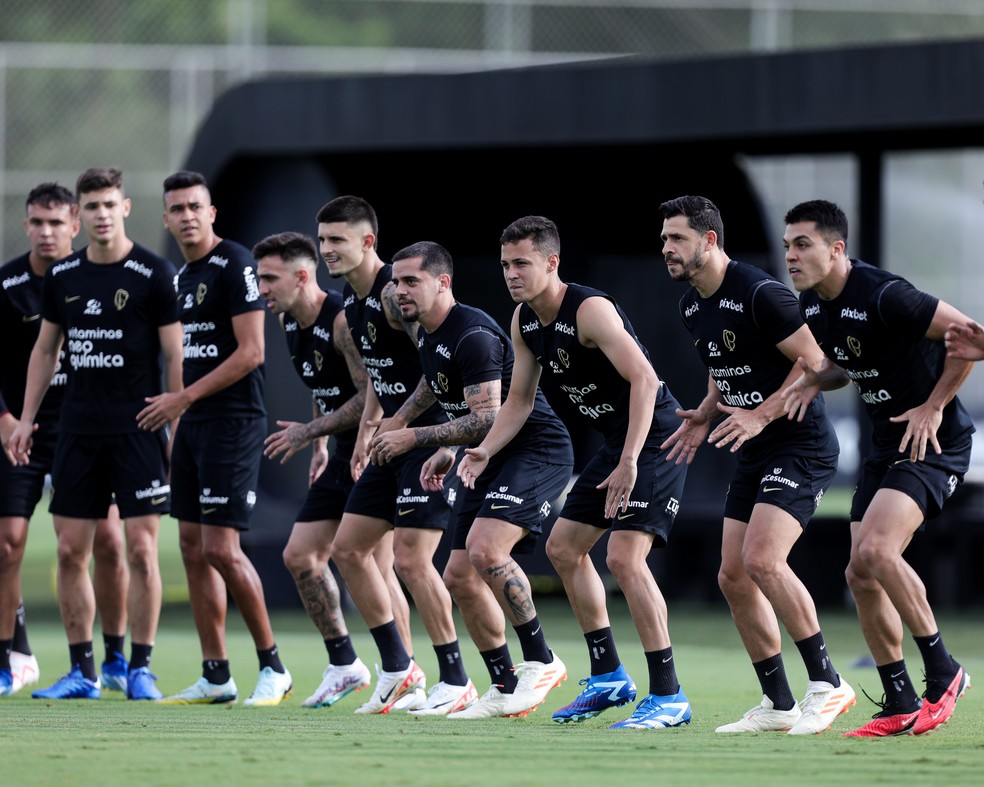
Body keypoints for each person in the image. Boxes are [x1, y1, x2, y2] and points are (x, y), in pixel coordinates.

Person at [457, 216, 692, 730]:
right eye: (504, 265)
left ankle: (670, 695)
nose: (511, 274)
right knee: (564, 548)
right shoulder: (523, 320)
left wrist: (630, 460)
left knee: (626, 558)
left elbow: (646, 382)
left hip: (657, 437)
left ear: (551, 262)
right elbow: (518, 402)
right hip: (618, 443)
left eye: (522, 263)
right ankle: (608, 675)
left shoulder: (589, 310)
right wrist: (484, 450)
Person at [657, 195, 855, 735]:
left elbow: (817, 365)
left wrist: (761, 416)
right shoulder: (692, 304)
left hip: (801, 444)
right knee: (734, 575)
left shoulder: (760, 292)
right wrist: (704, 411)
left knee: (764, 561)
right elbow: (726, 362)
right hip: (757, 446)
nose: (667, 248)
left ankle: (829, 683)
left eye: (677, 238)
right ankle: (777, 703)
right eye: (665, 238)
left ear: (710, 240)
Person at [781, 199, 974, 737]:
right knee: (859, 574)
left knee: (876, 551)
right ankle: (899, 700)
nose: (791, 256)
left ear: (836, 248)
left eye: (803, 244)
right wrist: (813, 380)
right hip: (886, 445)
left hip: (933, 441)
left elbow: (969, 339)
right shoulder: (813, 304)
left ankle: (945, 671)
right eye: (787, 246)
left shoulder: (887, 293)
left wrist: (934, 405)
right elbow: (845, 362)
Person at [373, 240, 574, 719]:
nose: (400, 291)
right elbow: (437, 383)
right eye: (396, 282)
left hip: (534, 450)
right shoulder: (427, 330)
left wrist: (414, 437)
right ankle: (504, 686)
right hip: (484, 457)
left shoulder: (473, 335)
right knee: (459, 577)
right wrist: (414, 429)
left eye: (411, 281)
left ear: (443, 282)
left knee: (486, 551)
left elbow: (487, 418)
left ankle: (542, 660)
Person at [8, 167, 183, 701]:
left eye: (110, 205)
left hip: (138, 431)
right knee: (68, 552)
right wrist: (24, 419)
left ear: (125, 208)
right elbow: (45, 351)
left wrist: (176, 425)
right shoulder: (64, 277)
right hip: (77, 433)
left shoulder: (154, 272)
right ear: (79, 215)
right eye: (92, 207)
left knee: (141, 552)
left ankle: (140, 668)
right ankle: (82, 671)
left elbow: (174, 354)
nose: (101, 215)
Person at [315, 197, 476, 716]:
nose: (326, 250)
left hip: (427, 441)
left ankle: (456, 678)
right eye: (321, 241)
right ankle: (398, 669)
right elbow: (379, 382)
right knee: (348, 549)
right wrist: (367, 433)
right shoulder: (351, 303)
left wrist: (436, 437)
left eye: (336, 240)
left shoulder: (394, 295)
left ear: (367, 242)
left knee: (410, 559)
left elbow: (438, 362)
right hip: (390, 442)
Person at [253, 230, 413, 708]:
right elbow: (325, 387)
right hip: (339, 452)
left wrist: (310, 430)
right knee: (300, 555)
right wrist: (322, 439)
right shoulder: (288, 322)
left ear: (303, 276)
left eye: (269, 278)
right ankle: (345, 663)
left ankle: (408, 674)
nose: (261, 288)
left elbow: (373, 391)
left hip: (373, 450)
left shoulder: (341, 320)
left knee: (379, 568)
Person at [151, 170, 292, 706]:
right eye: (177, 208)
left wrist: (182, 400)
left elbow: (252, 352)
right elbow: (181, 359)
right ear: (166, 219)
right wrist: (178, 427)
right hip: (193, 428)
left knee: (221, 548)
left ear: (211, 213)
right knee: (190, 547)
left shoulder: (235, 262)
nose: (186, 215)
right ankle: (216, 674)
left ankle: (274, 666)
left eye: (195, 206)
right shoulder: (180, 279)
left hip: (233, 423)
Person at [0, 183, 131, 698]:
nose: (47, 231)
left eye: (57, 222)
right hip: (21, 431)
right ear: (27, 225)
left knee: (110, 544)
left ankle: (116, 657)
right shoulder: (7, 283)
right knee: (8, 546)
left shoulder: (95, 277)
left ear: (75, 225)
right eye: (38, 222)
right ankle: (13, 657)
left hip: (87, 430)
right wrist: (9, 419)